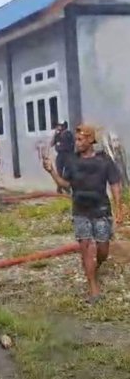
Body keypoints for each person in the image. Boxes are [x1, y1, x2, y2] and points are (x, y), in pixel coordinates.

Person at [42, 124, 123, 304]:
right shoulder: (72, 161)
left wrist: (119, 208)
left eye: (80, 140)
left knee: (103, 249)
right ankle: (93, 288)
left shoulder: (104, 161)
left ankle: (97, 264)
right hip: (80, 211)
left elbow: (115, 184)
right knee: (85, 247)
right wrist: (51, 171)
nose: (76, 143)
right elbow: (65, 184)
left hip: (101, 210)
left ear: (90, 140)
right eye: (76, 139)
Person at [51, 121, 75, 194]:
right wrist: (55, 134)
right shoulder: (58, 135)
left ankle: (66, 187)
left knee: (67, 173)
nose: (58, 127)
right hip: (60, 155)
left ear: (64, 126)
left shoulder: (68, 134)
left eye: (60, 125)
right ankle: (59, 188)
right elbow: (52, 144)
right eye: (58, 125)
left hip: (67, 154)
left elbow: (71, 145)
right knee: (59, 172)